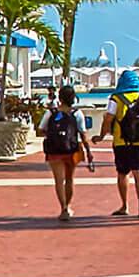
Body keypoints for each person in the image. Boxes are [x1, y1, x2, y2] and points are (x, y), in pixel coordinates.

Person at [107, 84, 139, 217]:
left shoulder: (116, 98)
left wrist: (101, 135)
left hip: (121, 141)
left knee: (123, 173)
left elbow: (108, 118)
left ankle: (124, 206)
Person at [39, 84, 87, 218]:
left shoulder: (51, 112)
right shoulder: (77, 113)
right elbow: (83, 134)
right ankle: (69, 205)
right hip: (71, 149)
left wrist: (52, 135)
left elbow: (41, 129)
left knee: (59, 181)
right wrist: (88, 151)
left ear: (59, 98)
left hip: (54, 150)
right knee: (70, 179)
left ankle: (63, 208)